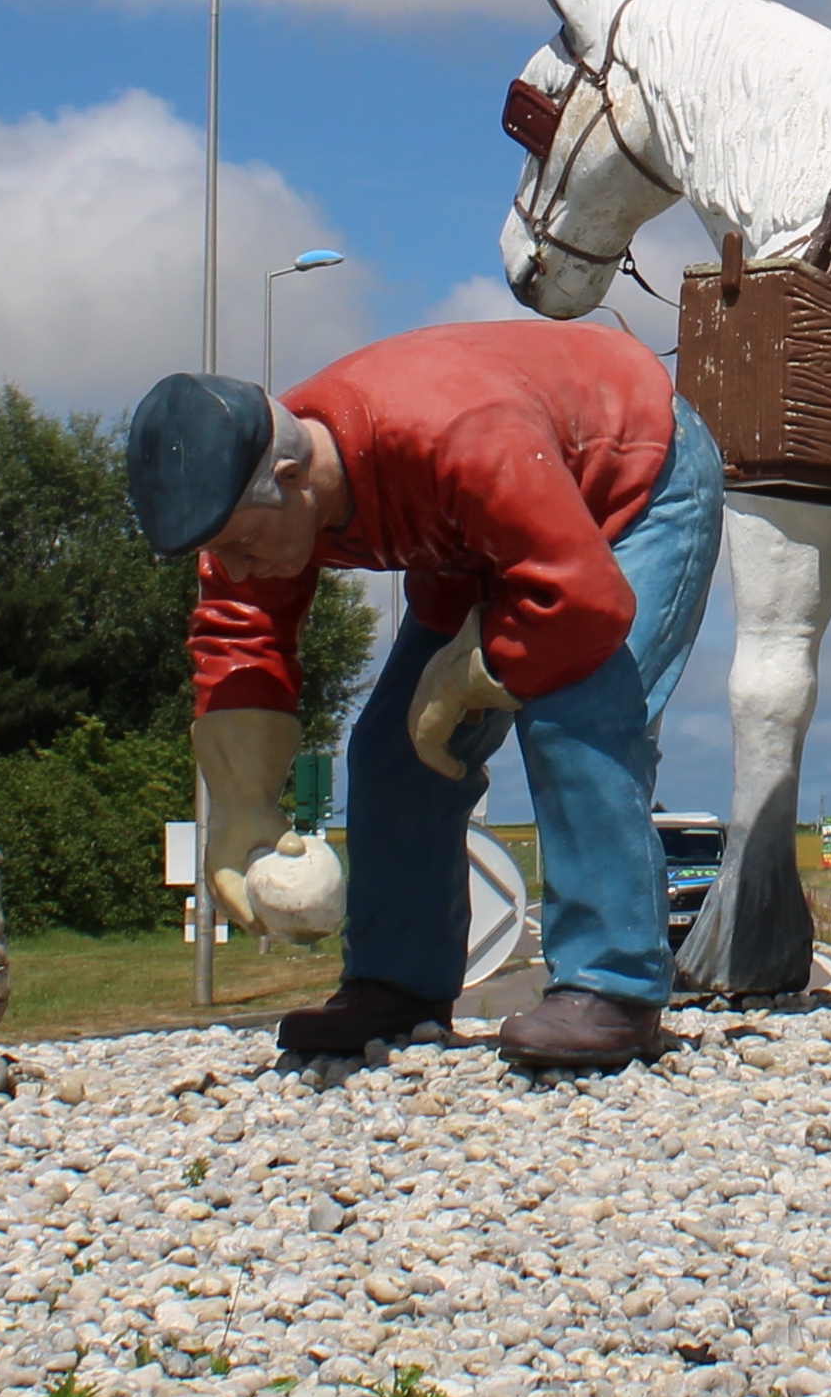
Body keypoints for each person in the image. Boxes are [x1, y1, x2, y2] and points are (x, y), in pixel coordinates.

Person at [129, 319, 724, 1067]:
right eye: (223, 552)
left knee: (575, 714)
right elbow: (238, 629)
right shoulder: (246, 505)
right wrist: (243, 800)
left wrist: (474, 674)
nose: (237, 569)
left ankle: (613, 989)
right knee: (390, 750)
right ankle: (396, 986)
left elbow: (583, 600)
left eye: (245, 546)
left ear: (288, 478)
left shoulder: (456, 432)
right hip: (481, 529)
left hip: (633, 481)